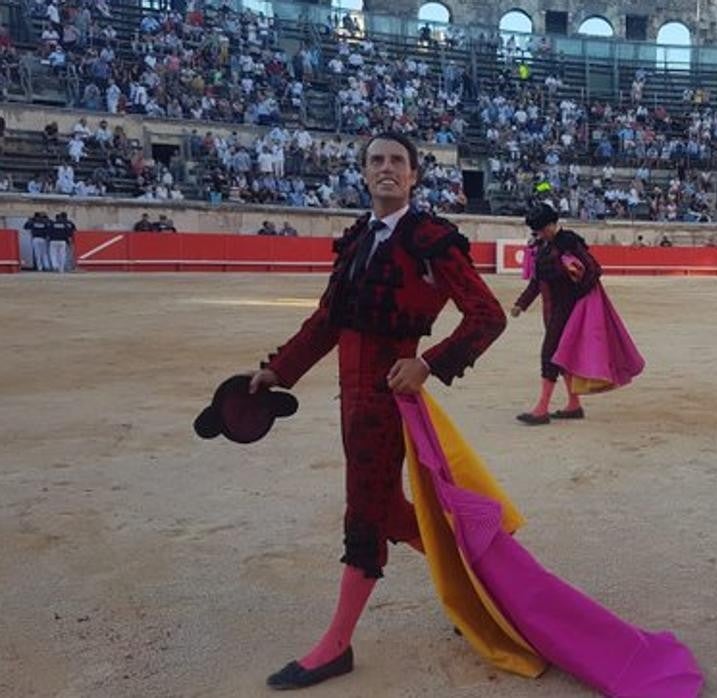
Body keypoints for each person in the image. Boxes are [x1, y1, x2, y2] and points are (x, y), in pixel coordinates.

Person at [247, 132, 508, 688]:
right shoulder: (359, 239)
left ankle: (336, 646)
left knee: (364, 515)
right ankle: (477, 588)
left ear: (413, 175)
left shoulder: (431, 240)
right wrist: (278, 371)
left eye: (397, 161)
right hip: (352, 403)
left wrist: (428, 364)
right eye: (376, 161)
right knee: (388, 510)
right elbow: (327, 321)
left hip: (387, 403)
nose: (386, 168)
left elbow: (488, 315)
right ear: (364, 173)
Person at [510, 204, 610, 425]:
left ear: (553, 224)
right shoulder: (543, 247)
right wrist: (521, 303)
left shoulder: (569, 243)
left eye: (542, 229)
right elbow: (537, 282)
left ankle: (541, 409)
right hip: (551, 310)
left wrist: (577, 297)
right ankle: (574, 405)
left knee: (550, 354)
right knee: (561, 356)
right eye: (537, 230)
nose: (540, 233)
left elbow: (594, 270)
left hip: (566, 310)